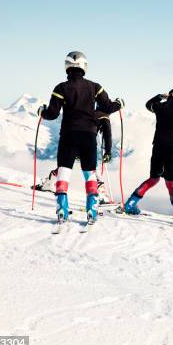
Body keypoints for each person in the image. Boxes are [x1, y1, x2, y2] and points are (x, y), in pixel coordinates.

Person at [38, 51, 123, 224]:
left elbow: (52, 114)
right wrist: (119, 103)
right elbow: (106, 106)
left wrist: (41, 111)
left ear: (67, 67)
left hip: (68, 135)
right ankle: (91, 210)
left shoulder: (60, 88)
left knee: (64, 171)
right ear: (84, 67)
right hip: (89, 135)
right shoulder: (94, 86)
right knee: (89, 173)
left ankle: (62, 209)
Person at [124, 88, 173, 220]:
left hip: (158, 147)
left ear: (169, 96)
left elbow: (148, 105)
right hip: (172, 149)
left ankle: (130, 204)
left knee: (153, 179)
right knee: (170, 182)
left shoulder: (159, 106)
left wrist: (160, 96)